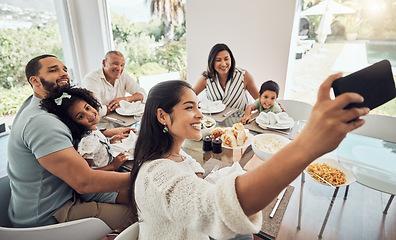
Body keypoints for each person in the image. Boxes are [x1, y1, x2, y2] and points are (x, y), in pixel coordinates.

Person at [128, 74, 369, 239]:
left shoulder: (182, 158)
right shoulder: (156, 175)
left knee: (243, 231)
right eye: (190, 107)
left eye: (198, 106)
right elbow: (214, 207)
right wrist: (308, 145)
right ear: (162, 116)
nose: (200, 115)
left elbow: (197, 181)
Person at [7, 55, 134, 229]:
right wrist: (141, 176)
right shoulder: (41, 122)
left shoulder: (38, 103)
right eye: (54, 70)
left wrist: (106, 132)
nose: (64, 74)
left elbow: (65, 138)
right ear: (34, 80)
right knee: (140, 214)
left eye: (65, 69)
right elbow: (85, 182)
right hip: (50, 214)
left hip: (54, 197)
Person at [193, 43, 260, 111]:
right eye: (218, 60)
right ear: (212, 62)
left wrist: (250, 110)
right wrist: (200, 106)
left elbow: (260, 100)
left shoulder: (243, 76)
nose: (223, 64)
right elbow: (189, 96)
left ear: (231, 59)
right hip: (215, 120)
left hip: (240, 120)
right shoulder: (206, 79)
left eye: (226, 59)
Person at [82, 50, 146, 118]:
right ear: (104, 63)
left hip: (121, 120)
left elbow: (143, 94)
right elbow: (96, 110)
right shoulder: (91, 79)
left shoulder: (123, 76)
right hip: (101, 123)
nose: (119, 68)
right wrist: (118, 106)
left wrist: (124, 100)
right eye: (115, 64)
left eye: (122, 65)